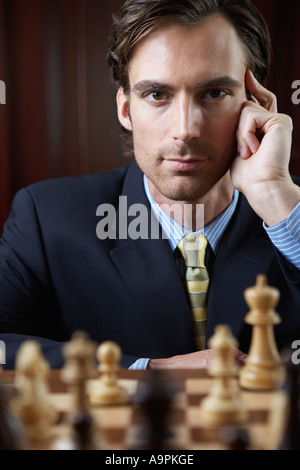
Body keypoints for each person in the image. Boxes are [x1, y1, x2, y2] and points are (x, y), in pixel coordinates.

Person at [1, 0, 300, 370]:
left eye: (214, 93)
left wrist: (275, 196)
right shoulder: (46, 218)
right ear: (126, 110)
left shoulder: (291, 211)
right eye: (157, 94)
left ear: (255, 103)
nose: (185, 129)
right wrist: (148, 370)